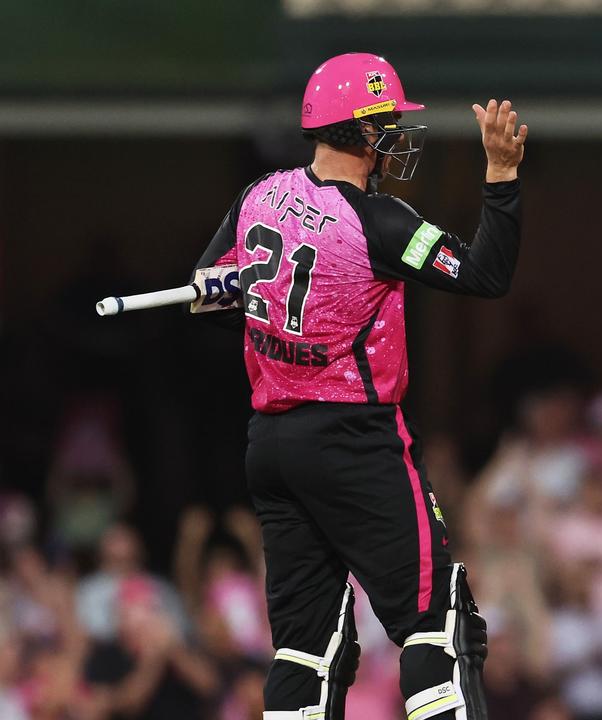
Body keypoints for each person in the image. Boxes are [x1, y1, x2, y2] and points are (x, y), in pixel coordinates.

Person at [193, 52, 527, 719]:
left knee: (304, 649)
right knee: (437, 622)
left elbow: (206, 291)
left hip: (272, 443)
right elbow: (486, 274)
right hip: (354, 439)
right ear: (364, 132)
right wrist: (502, 177)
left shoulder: (258, 195)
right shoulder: (382, 223)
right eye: (387, 124)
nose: (396, 137)